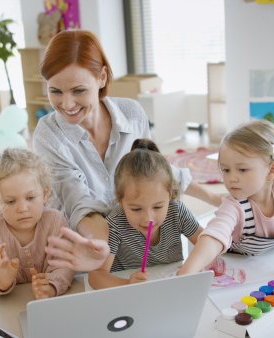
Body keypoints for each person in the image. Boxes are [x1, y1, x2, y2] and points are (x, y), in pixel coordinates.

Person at [33, 29, 222, 272]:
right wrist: (99, 246)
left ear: (101, 77)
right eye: (55, 91)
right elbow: (78, 201)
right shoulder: (48, 135)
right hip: (88, 252)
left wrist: (215, 198)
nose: (67, 104)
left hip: (138, 243)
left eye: (78, 91)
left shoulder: (131, 114)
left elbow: (153, 169)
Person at [178, 119, 274, 300]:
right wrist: (186, 274)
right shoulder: (235, 204)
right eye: (226, 170)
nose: (232, 179)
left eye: (243, 170)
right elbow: (214, 235)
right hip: (239, 272)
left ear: (271, 170)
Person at [88, 139, 203, 289]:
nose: (148, 219)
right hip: (131, 296)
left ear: (169, 195)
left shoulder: (177, 211)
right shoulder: (115, 224)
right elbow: (96, 275)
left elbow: (206, 243)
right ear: (120, 200)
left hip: (171, 290)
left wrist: (192, 267)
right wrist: (128, 283)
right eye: (136, 209)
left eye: (157, 207)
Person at [0, 148, 75, 299]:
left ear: (45, 194)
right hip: (4, 308)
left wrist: (52, 287)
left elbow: (65, 264)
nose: (22, 208)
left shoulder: (55, 221)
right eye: (10, 201)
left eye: (30, 198)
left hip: (49, 304)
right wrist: (1, 281)